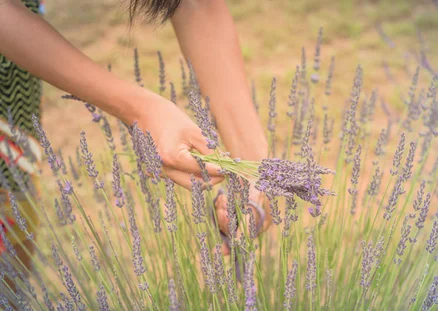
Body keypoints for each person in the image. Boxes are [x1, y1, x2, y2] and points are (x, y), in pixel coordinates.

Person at [0, 0, 271, 259]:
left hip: (19, 56)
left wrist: (254, 169)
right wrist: (140, 109)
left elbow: (196, 4)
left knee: (16, 226)